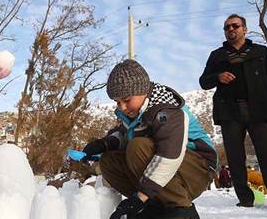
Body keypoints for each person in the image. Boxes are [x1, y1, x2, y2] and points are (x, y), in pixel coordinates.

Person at [81, 59, 217, 219]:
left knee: (138, 147)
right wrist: (102, 144)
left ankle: (179, 209)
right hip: (168, 172)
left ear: (143, 90)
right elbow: (123, 135)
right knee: (109, 160)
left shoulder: (166, 111)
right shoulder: (133, 113)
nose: (122, 107)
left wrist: (141, 196)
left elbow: (169, 155)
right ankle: (153, 205)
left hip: (198, 169)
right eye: (117, 102)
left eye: (126, 100)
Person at [199, 14, 267, 208]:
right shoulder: (217, 55)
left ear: (244, 29)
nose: (231, 29)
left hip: (258, 111)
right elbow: (204, 81)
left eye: (235, 26)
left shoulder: (261, 52)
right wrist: (218, 76)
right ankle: (245, 199)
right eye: (227, 27)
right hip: (229, 112)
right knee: (235, 157)